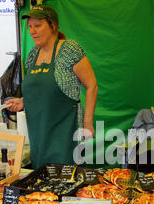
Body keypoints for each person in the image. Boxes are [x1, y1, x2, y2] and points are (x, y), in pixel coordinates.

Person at [6, 4, 98, 169]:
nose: (32, 31)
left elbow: (91, 86)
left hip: (65, 130)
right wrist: (22, 101)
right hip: (39, 132)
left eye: (38, 25)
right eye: (30, 26)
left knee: (65, 176)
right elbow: (39, 91)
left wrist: (88, 121)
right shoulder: (33, 54)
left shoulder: (69, 50)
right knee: (43, 179)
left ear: (52, 26)